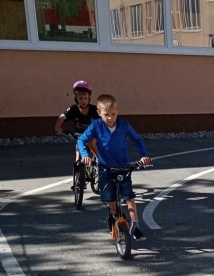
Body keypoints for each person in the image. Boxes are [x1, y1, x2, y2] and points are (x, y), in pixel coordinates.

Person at [77, 94, 151, 241]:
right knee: (110, 196)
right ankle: (114, 216)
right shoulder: (96, 125)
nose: (110, 118)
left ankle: (135, 225)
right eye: (106, 115)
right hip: (106, 168)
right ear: (99, 113)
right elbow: (82, 140)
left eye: (113, 114)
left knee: (129, 196)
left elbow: (137, 139)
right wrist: (85, 155)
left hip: (123, 167)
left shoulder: (124, 125)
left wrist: (144, 156)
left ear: (117, 111)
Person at [55, 80, 99, 188]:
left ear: (89, 98)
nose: (83, 101)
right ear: (76, 99)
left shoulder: (94, 109)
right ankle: (78, 179)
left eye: (86, 98)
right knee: (78, 157)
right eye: (80, 98)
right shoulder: (73, 109)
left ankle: (100, 160)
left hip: (92, 136)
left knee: (91, 144)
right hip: (80, 135)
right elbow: (62, 117)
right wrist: (58, 128)